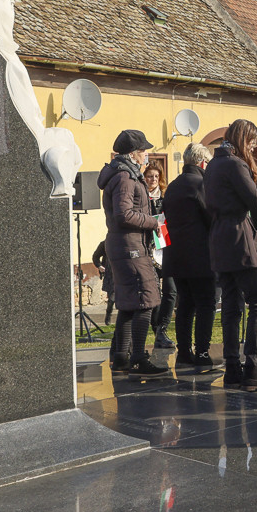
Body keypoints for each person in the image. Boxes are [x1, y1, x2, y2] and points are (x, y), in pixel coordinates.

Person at [204, 119, 257, 391]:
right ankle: (253, 368)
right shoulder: (234, 164)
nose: (252, 149)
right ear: (243, 139)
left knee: (231, 305)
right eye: (252, 143)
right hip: (238, 238)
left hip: (219, 238)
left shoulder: (213, 164)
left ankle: (232, 368)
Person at [99, 129, 167, 377]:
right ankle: (138, 357)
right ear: (132, 153)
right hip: (130, 247)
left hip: (127, 245)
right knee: (146, 300)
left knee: (129, 304)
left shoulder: (122, 174)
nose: (146, 154)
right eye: (143, 151)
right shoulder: (125, 177)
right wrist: (153, 222)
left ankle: (121, 358)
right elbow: (124, 214)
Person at [160, 142, 215, 370]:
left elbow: (163, 219)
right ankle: (202, 353)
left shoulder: (173, 185)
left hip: (175, 256)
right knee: (206, 304)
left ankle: (183, 353)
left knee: (185, 305)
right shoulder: (201, 184)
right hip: (199, 256)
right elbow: (210, 216)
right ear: (202, 162)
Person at [143, 164, 176, 350]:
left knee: (171, 291)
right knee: (155, 294)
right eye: (150, 176)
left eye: (156, 176)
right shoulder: (141, 197)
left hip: (165, 248)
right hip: (148, 250)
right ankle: (158, 332)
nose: (153, 180)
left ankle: (163, 327)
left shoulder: (166, 197)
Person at [92, 239, 113, 325]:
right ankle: (108, 314)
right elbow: (95, 257)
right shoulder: (105, 244)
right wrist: (100, 266)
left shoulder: (125, 242)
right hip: (111, 275)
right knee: (112, 299)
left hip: (123, 274)